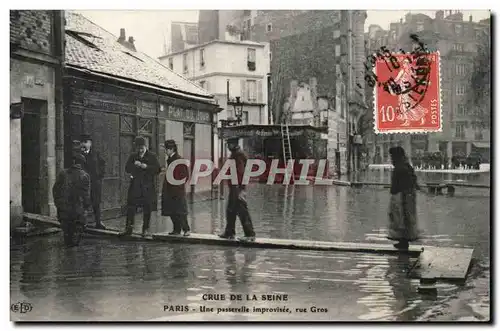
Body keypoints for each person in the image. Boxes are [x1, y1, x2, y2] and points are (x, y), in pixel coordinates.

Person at [120, 136, 161, 237]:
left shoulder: (152, 156)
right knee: (131, 208)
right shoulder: (133, 156)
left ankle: (145, 229)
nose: (141, 150)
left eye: (142, 148)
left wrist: (145, 166)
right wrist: (135, 165)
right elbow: (127, 168)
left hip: (147, 187)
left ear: (146, 147)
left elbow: (158, 169)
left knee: (147, 208)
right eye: (139, 148)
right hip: (135, 186)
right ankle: (129, 228)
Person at [219, 138, 256, 242]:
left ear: (233, 144)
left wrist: (241, 189)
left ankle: (250, 234)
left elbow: (241, 173)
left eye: (229, 144)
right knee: (230, 210)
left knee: (242, 211)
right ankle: (229, 232)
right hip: (235, 187)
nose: (227, 146)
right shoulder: (236, 154)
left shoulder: (238, 156)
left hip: (237, 188)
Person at [52, 153, 92, 247]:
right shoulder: (85, 176)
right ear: (82, 164)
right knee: (76, 237)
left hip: (64, 210)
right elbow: (86, 195)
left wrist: (58, 204)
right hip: (78, 211)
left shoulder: (62, 173)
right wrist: (86, 207)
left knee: (67, 234)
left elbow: (55, 190)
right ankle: (72, 254)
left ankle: (68, 253)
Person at [387, 146, 420, 250]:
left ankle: (403, 242)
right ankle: (404, 241)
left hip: (402, 197)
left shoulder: (400, 168)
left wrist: (394, 191)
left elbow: (396, 184)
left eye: (392, 156)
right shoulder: (407, 166)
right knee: (405, 219)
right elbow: (414, 179)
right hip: (408, 196)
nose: (391, 159)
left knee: (401, 219)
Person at [162, 139, 190, 236]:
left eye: (166, 149)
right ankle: (176, 230)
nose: (165, 151)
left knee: (180, 211)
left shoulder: (179, 160)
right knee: (172, 211)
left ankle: (186, 230)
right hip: (170, 190)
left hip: (177, 191)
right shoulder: (170, 159)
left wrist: (178, 186)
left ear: (171, 149)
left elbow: (185, 175)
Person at [80, 134, 106, 230]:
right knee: (83, 203)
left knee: (96, 203)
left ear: (90, 143)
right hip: (83, 183)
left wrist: (100, 175)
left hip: (95, 182)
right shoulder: (79, 155)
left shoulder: (96, 153)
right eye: (82, 142)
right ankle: (82, 223)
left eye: (86, 142)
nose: (84, 144)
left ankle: (98, 222)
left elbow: (103, 163)